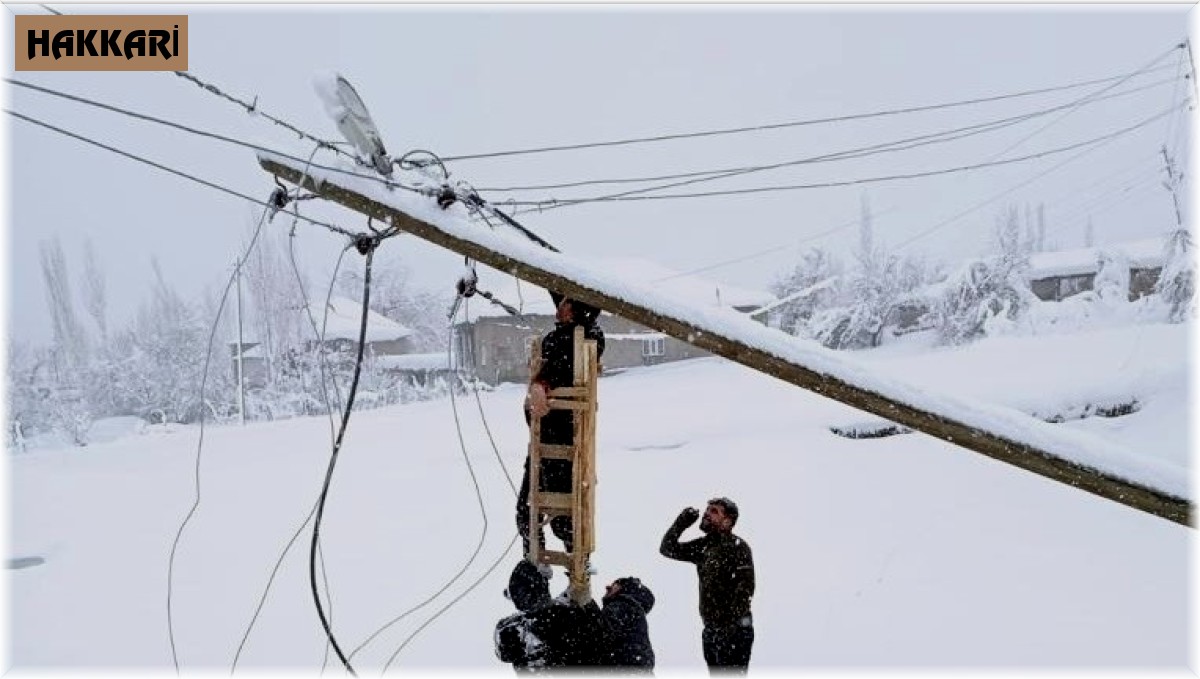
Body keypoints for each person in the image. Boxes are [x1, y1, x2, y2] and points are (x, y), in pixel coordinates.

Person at [517, 292, 605, 556]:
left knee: (562, 517)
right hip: (543, 437)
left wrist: (542, 384)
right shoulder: (559, 334)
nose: (560, 305)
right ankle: (536, 569)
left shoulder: (585, 335)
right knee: (526, 511)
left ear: (577, 308)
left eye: (566, 302)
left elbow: (563, 367)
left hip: (563, 437)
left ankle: (578, 570)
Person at [659, 498, 755, 673]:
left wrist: (728, 626)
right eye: (707, 510)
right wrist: (681, 523)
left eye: (714, 511)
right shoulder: (704, 546)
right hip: (711, 630)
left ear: (728, 521)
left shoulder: (738, 547)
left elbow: (746, 589)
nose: (707, 514)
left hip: (735, 630)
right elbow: (667, 548)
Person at [494, 559, 609, 671]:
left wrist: (581, 592)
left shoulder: (545, 621)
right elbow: (597, 635)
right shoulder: (549, 622)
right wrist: (585, 599)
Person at [599, 576, 656, 672]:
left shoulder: (622, 605)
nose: (608, 587)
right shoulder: (635, 613)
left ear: (626, 589)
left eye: (615, 585)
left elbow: (600, 630)